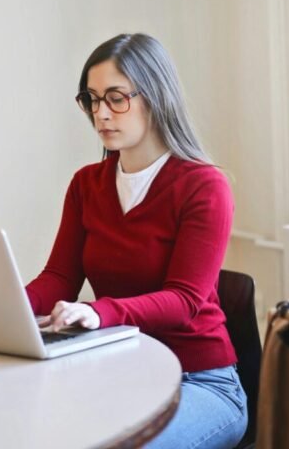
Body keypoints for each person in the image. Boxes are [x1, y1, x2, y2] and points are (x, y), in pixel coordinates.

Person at [25, 33, 247, 449]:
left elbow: (184, 300)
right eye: (91, 99)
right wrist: (7, 305)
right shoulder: (86, 184)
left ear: (155, 96)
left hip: (199, 380)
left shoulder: (204, 186)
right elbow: (58, 277)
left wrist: (98, 313)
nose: (101, 114)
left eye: (116, 98)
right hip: (118, 372)